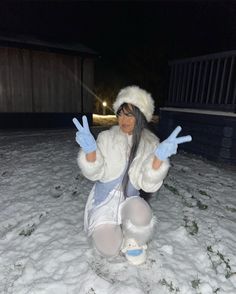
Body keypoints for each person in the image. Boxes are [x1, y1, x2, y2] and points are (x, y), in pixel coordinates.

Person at [73, 85, 192, 265]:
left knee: (142, 215)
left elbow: (147, 185)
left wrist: (158, 159)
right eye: (120, 113)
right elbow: (95, 173)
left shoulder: (150, 143)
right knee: (109, 250)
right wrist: (90, 151)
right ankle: (112, 231)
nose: (123, 119)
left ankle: (131, 237)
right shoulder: (107, 138)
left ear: (140, 116)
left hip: (130, 200)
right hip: (104, 199)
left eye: (129, 114)